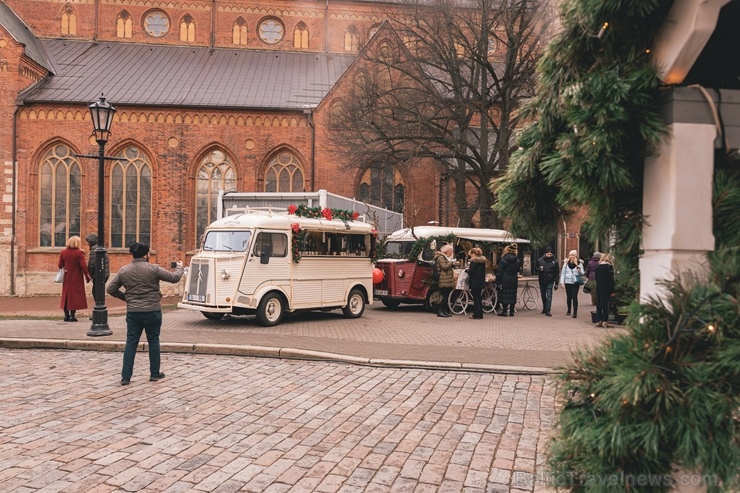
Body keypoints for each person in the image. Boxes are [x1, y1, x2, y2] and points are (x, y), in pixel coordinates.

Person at [107, 242, 184, 385]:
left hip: (133, 312)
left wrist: (126, 297)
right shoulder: (153, 269)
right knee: (153, 340)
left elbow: (111, 289)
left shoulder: (124, 270)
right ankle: (154, 373)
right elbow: (174, 278)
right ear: (145, 254)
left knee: (131, 342)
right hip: (152, 310)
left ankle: (125, 377)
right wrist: (179, 267)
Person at [58, 236, 91, 322]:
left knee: (66, 294)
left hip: (66, 276)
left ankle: (66, 315)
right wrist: (87, 276)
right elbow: (83, 266)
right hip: (76, 277)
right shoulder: (79, 253)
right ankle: (72, 316)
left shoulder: (63, 252)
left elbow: (60, 265)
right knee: (74, 296)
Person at [559, 249, 585, 318]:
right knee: (569, 297)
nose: (571, 256)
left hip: (575, 282)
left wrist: (579, 270)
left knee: (574, 297)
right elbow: (563, 273)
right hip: (567, 282)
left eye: (573, 255)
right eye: (570, 255)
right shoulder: (566, 263)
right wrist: (562, 282)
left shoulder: (579, 263)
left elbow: (582, 273)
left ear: (575, 256)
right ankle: (569, 309)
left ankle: (575, 312)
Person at [497, 243, 520, 317]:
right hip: (513, 278)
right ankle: (512, 311)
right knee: (512, 294)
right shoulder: (517, 260)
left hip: (505, 277)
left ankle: (504, 311)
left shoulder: (503, 260)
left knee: (505, 294)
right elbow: (518, 270)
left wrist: (498, 280)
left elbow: (500, 271)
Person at [85, 233, 110, 303]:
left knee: (96, 292)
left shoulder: (94, 249)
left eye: (88, 241)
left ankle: (99, 306)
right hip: (104, 274)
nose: (87, 243)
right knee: (99, 291)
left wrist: (89, 274)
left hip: (99, 274)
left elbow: (92, 264)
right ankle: (100, 305)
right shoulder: (100, 247)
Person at [434, 244, 456, 318]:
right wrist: (451, 262)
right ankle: (440, 311)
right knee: (445, 296)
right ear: (446, 251)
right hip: (444, 280)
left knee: (446, 296)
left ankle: (444, 311)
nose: (451, 253)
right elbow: (444, 267)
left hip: (447, 280)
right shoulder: (441, 258)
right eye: (451, 251)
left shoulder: (445, 257)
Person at [536, 246, 559, 316]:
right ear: (545, 254)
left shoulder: (555, 261)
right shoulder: (540, 260)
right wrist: (539, 269)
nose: (549, 255)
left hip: (550, 280)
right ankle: (544, 307)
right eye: (548, 254)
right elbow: (535, 268)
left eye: (550, 254)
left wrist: (556, 282)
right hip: (542, 279)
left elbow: (557, 272)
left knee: (549, 295)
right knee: (543, 294)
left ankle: (548, 310)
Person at [594, 253, 616, 328]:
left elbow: (596, 278)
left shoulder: (598, 267)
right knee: (606, 305)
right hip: (606, 288)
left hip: (599, 287)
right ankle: (605, 321)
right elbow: (611, 280)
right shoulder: (609, 267)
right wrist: (612, 290)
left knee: (599, 304)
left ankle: (598, 320)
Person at [466, 247, 486, 320]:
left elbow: (471, 272)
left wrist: (467, 271)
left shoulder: (474, 261)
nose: (470, 256)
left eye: (471, 254)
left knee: (476, 298)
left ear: (473, 254)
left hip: (474, 281)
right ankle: (480, 314)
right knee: (479, 298)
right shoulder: (482, 261)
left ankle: (476, 314)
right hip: (480, 281)